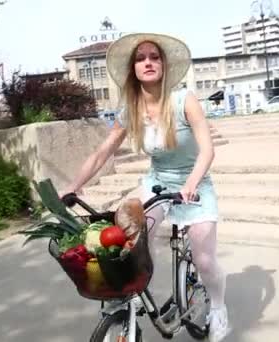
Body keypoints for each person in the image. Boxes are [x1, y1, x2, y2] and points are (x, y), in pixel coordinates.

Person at [62, 32, 230, 341]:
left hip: (195, 183)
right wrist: (74, 185)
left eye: (154, 57)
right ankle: (130, 292)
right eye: (141, 58)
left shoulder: (184, 100)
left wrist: (191, 184)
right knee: (127, 235)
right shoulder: (130, 111)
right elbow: (103, 152)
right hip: (157, 182)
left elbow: (207, 150)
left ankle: (218, 307)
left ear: (164, 65)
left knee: (205, 260)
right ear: (133, 69)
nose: (148, 62)